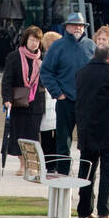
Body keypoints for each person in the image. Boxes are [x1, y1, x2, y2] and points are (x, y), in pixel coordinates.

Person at [74, 46, 109, 218]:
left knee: (86, 170)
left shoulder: (81, 72)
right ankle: (103, 210)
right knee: (108, 172)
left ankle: (84, 210)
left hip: (87, 129)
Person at [39, 11, 95, 174]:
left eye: (80, 25)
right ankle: (63, 175)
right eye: (74, 25)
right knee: (63, 143)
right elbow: (46, 72)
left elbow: (98, 73)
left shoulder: (91, 46)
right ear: (67, 27)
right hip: (65, 102)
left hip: (86, 103)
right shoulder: (57, 46)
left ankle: (86, 179)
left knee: (88, 144)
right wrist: (58, 94)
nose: (77, 27)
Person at [2, 25, 46, 175]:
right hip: (19, 101)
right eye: (32, 40)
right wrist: (6, 99)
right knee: (19, 134)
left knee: (33, 135)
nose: (34, 43)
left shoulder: (42, 58)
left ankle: (32, 165)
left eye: (37, 41)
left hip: (36, 102)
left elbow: (47, 80)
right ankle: (22, 164)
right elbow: (7, 80)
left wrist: (43, 69)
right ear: (26, 40)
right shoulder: (14, 57)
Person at [39, 29, 62, 157]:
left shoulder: (62, 59)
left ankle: (56, 161)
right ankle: (49, 162)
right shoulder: (42, 61)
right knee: (46, 134)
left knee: (59, 134)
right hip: (47, 100)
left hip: (59, 100)